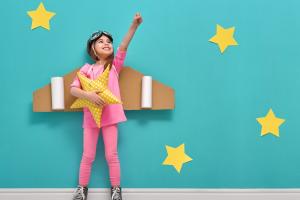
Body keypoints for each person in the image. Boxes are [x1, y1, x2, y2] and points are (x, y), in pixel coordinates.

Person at [70, 13, 143, 200]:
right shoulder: (86, 69)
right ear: (92, 49)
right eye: (101, 41)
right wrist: (88, 95)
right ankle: (81, 189)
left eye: (109, 41)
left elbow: (124, 46)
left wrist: (133, 26)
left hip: (110, 117)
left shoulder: (114, 66)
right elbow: (73, 90)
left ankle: (116, 190)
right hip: (90, 119)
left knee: (112, 155)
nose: (106, 43)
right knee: (88, 155)